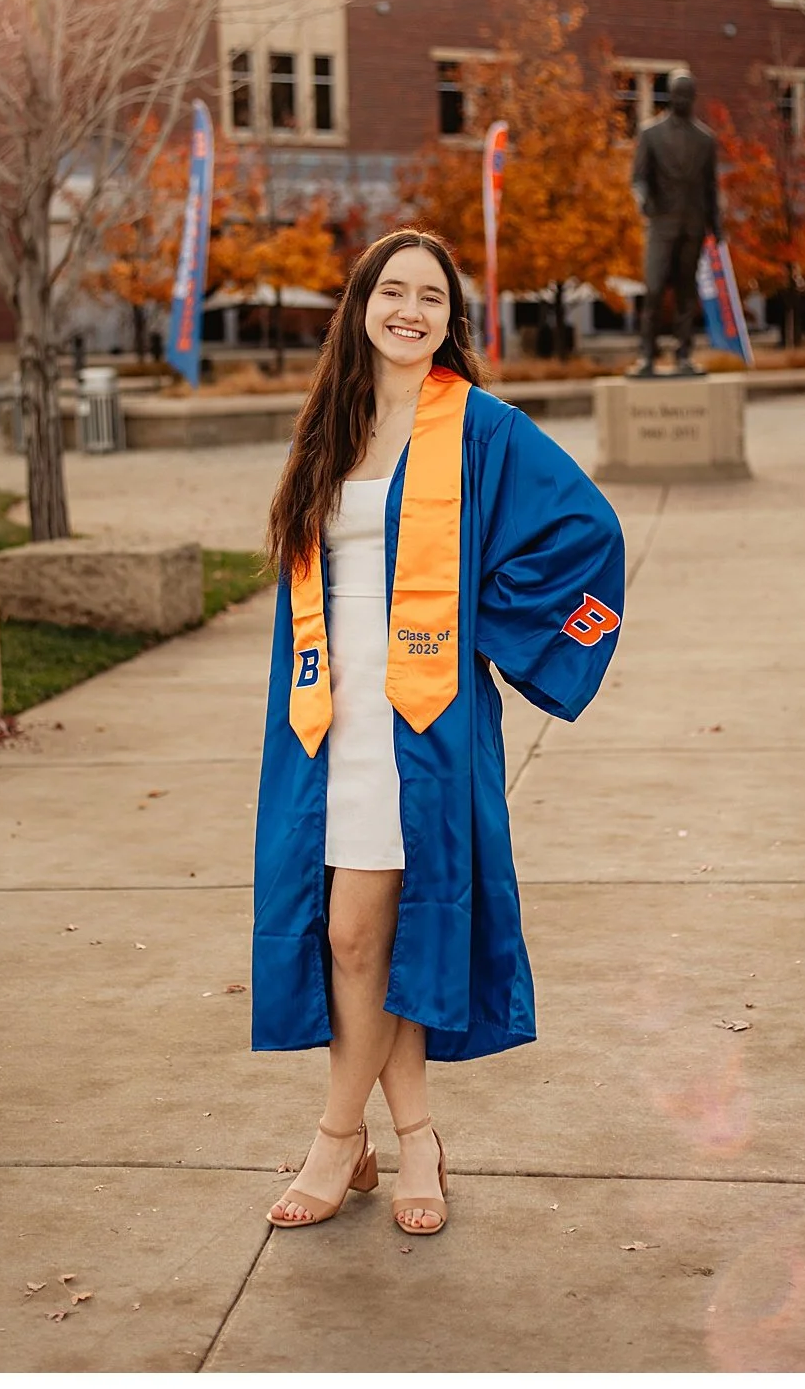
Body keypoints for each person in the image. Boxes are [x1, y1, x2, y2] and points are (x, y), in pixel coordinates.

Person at [253, 229, 624, 1238]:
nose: (409, 309)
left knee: (360, 928)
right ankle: (413, 1134)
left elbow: (586, 532)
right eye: (392, 290)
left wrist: (487, 625)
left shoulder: (483, 428)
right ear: (362, 304)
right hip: (328, 716)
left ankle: (339, 1138)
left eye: (431, 296)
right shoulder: (331, 425)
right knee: (375, 931)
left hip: (426, 719)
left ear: (449, 318)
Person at [630, 71, 722, 377]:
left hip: (692, 225)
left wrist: (716, 226)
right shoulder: (651, 134)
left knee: (686, 293)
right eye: (677, 95)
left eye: (686, 95)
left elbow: (711, 187)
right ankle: (646, 355)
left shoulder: (706, 140)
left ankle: (684, 354)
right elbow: (639, 178)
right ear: (669, 95)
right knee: (654, 289)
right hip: (661, 224)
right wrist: (643, 199)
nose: (681, 100)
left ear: (693, 98)